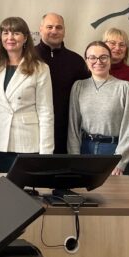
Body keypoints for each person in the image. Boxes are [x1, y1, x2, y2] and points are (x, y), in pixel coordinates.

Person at [0, 17, 54, 173]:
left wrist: (46, 153)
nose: (10, 38)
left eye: (16, 33)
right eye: (5, 33)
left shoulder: (40, 68)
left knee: (25, 187)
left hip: (27, 144)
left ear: (25, 38)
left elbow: (46, 112)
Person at [67, 42, 129, 175]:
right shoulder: (78, 87)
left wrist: (120, 161)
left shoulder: (125, 88)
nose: (98, 61)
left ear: (110, 59)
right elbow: (73, 126)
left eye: (103, 57)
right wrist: (74, 157)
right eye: (92, 57)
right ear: (86, 61)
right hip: (85, 150)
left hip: (113, 151)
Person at [34, 13, 89, 154]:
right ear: (40, 29)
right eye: (49, 27)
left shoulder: (76, 61)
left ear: (64, 31)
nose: (54, 31)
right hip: (32, 134)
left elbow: (86, 98)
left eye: (59, 27)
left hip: (66, 136)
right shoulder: (28, 57)